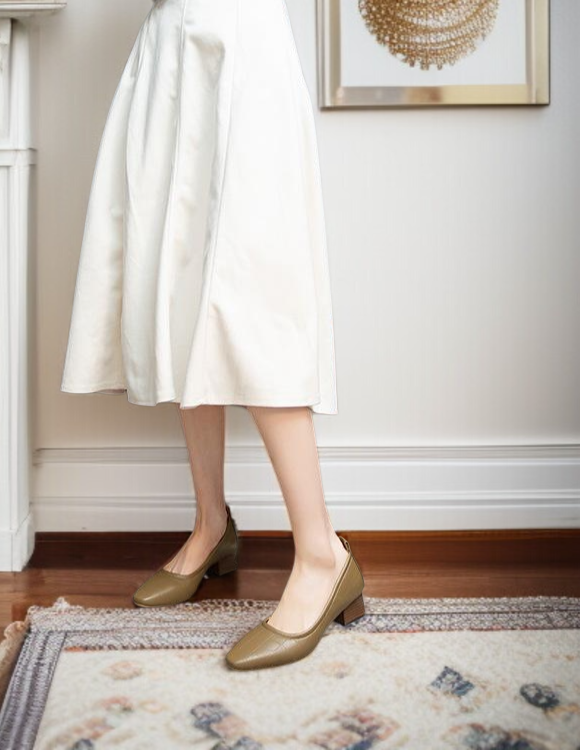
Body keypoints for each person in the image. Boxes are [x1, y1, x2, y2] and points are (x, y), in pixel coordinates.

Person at [61, 0, 366, 670]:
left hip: (242, 43)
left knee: (255, 301)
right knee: (177, 294)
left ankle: (322, 555)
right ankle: (211, 526)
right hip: (166, 48)